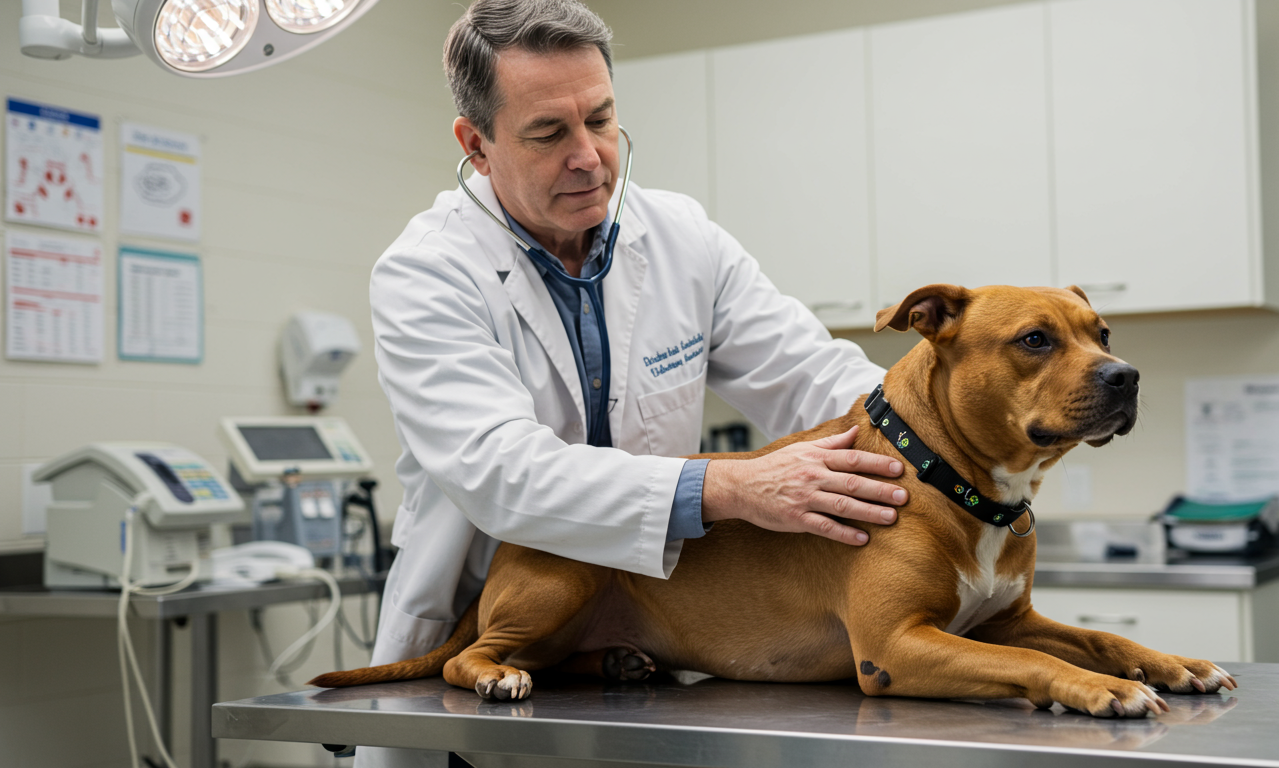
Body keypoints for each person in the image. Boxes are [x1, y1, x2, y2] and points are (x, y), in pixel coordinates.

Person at [361, 1, 907, 765]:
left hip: (633, 662)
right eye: (549, 133)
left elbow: (816, 379)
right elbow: (502, 472)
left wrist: (947, 426)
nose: (589, 156)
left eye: (602, 119)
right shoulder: (427, 272)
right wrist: (730, 486)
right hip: (484, 647)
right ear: (476, 146)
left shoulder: (683, 238)